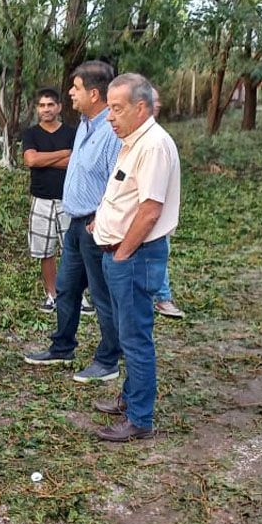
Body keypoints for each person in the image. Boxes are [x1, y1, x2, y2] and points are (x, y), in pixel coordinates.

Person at [92, 74, 181, 442]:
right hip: (120, 255)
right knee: (129, 333)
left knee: (136, 337)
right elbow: (125, 197)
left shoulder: (153, 146)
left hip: (134, 258)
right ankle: (130, 399)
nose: (109, 117)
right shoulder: (133, 142)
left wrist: (122, 253)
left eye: (117, 109)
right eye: (109, 108)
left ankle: (140, 418)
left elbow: (150, 210)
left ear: (140, 108)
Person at [24, 60, 123, 384]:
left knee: (101, 294)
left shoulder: (111, 130)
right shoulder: (84, 123)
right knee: (66, 288)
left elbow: (116, 181)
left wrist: (102, 219)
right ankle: (62, 346)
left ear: (94, 93)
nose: (70, 93)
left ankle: (108, 360)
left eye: (76, 88)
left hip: (96, 224)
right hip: (76, 222)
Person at [21, 88, 76, 312]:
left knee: (73, 250)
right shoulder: (31, 134)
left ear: (59, 107)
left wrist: (45, 159)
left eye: (50, 105)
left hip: (69, 200)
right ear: (37, 109)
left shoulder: (72, 132)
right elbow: (31, 160)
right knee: (46, 250)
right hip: (41, 199)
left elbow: (75, 162)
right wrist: (63, 153)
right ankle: (51, 294)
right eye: (42, 106)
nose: (46, 109)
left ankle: (76, 295)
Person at [149, 92, 184, 319]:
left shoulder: (157, 141)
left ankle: (162, 297)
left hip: (155, 214)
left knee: (158, 253)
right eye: (154, 101)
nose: (159, 105)